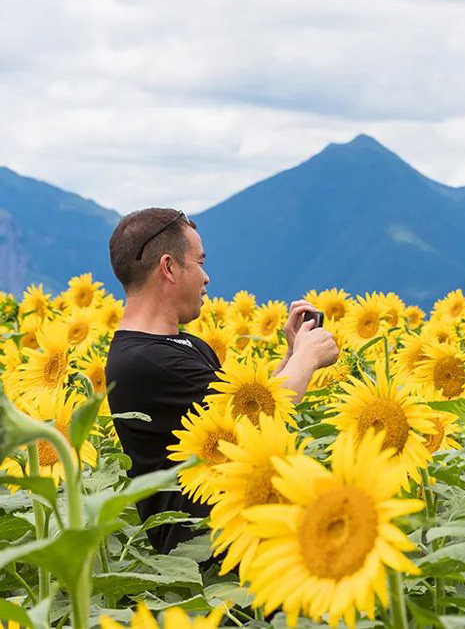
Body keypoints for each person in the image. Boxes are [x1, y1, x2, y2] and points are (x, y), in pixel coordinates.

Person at [104, 208, 339, 553]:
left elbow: (236, 417)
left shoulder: (183, 346)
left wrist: (291, 354)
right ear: (168, 268)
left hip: (234, 534)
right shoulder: (146, 362)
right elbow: (261, 420)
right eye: (199, 263)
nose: (207, 278)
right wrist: (309, 356)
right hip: (206, 552)